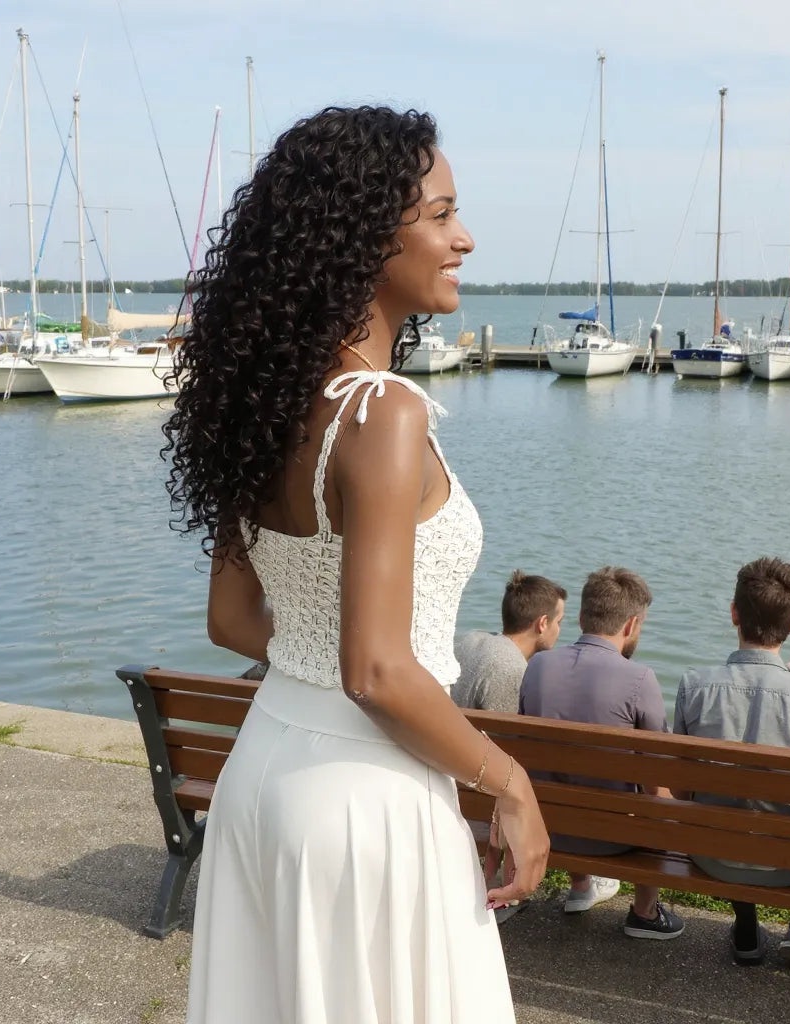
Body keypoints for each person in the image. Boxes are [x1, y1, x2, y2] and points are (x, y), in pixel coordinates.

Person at [162, 105, 549, 1024]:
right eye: (442, 214)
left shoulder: (264, 396)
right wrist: (507, 780)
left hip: (267, 774)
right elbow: (375, 669)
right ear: (368, 233)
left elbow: (231, 620)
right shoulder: (384, 413)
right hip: (368, 798)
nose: (465, 237)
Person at [673, 557, 790, 973]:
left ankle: (746, 926)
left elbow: (680, 790)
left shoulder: (693, 686)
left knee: (732, 810)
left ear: (734, 613)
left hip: (712, 855)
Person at [519, 567, 685, 939]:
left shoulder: (538, 666)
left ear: (580, 618)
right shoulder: (640, 678)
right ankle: (644, 912)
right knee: (655, 797)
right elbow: (657, 773)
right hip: (614, 836)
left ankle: (580, 886)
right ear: (630, 626)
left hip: (548, 826)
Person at [452, 569, 567, 713]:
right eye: (559, 622)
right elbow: (505, 731)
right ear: (543, 623)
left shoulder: (469, 640)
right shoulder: (511, 668)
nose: (558, 630)